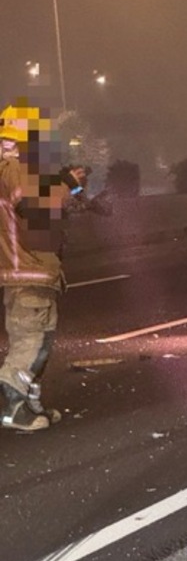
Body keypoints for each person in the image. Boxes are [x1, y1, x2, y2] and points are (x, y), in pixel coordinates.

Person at [0, 100, 110, 432]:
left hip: (27, 270)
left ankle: (30, 404)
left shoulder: (13, 169)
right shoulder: (15, 169)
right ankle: (12, 404)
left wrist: (67, 185)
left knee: (40, 340)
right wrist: (66, 184)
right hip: (28, 272)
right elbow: (39, 206)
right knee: (31, 341)